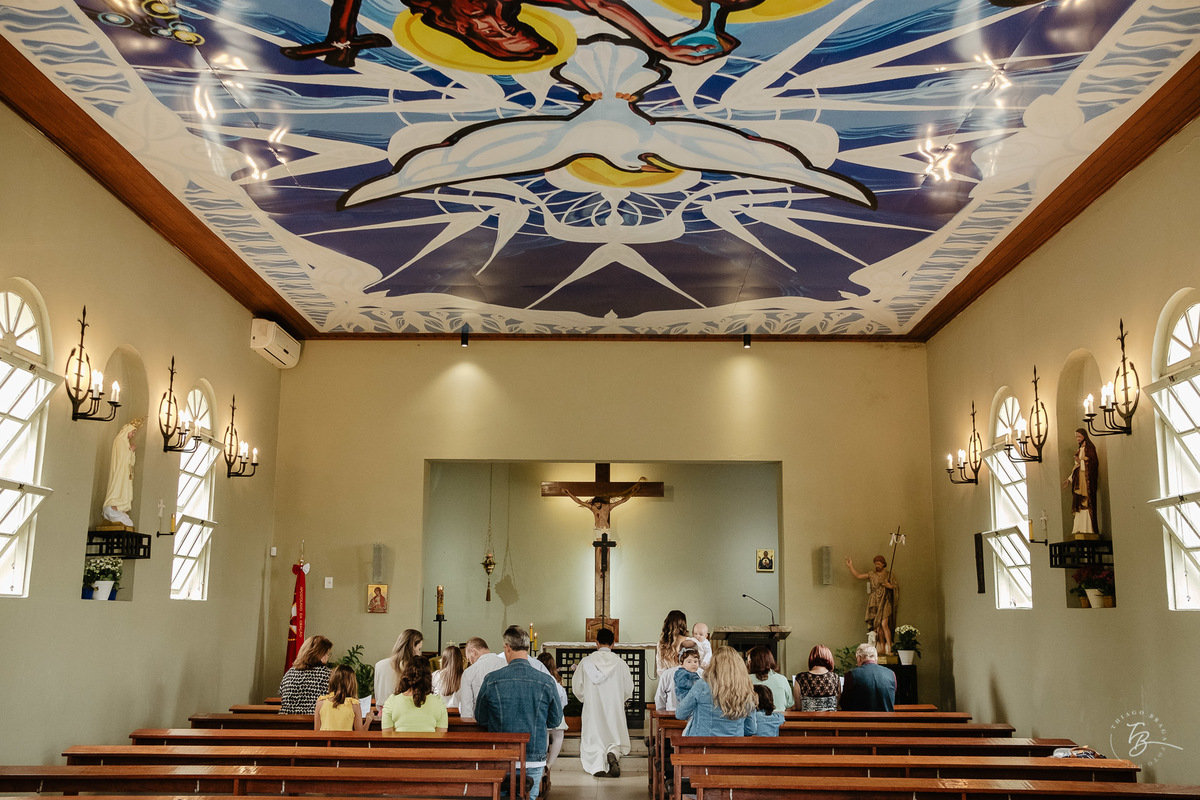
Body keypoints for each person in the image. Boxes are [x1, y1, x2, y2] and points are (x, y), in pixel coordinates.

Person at [473, 626, 563, 800]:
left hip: (501, 755)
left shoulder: (492, 679)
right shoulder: (546, 681)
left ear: (507, 647)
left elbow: (481, 718)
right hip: (534, 755)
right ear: (527, 647)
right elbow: (555, 720)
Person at [573, 627, 634, 778]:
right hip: (614, 708)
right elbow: (628, 689)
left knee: (594, 739)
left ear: (596, 643)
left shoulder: (586, 662)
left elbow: (577, 688)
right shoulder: (620, 664)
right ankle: (612, 753)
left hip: (593, 708)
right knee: (614, 737)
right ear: (613, 644)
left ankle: (597, 764)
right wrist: (618, 699)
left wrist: (587, 698)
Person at [459, 634, 554, 719]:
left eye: (468, 659)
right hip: (510, 722)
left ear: (473, 651)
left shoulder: (469, 672)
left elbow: (466, 712)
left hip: (480, 724)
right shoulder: (507, 664)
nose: (470, 662)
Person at [676, 646, 757, 736]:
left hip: (702, 742)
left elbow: (680, 714)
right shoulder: (746, 689)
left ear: (713, 665)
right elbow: (751, 729)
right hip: (734, 743)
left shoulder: (702, 685)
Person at [845, 555, 897, 653]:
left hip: (885, 601)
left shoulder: (888, 575)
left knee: (884, 624)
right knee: (878, 626)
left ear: (883, 564)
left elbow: (895, 587)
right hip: (875, 601)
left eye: (879, 564)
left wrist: (889, 586)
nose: (877, 566)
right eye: (875, 564)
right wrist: (850, 565)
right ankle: (882, 648)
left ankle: (890, 648)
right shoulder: (872, 574)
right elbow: (858, 576)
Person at [381, 657, 448, 732]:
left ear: (406, 675)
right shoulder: (438, 702)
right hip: (428, 740)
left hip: (400, 740)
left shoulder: (391, 701)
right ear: (429, 677)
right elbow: (441, 736)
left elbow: (386, 736)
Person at [537, 652, 569, 795]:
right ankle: (549, 764)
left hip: (542, 714)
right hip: (555, 714)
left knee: (543, 735)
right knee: (558, 737)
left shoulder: (538, 678)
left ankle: (543, 762)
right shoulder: (555, 680)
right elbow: (563, 699)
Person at [101, 418, 144, 527]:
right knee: (118, 485)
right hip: (120, 470)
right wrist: (130, 451)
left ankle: (120, 506)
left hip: (125, 471)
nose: (133, 435)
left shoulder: (125, 442)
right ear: (127, 431)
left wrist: (131, 452)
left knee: (124, 487)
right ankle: (114, 503)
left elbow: (130, 461)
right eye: (132, 432)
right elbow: (121, 457)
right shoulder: (120, 441)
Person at [279, 635, 333, 714]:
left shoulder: (289, 673)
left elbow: (282, 694)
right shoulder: (327, 675)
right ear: (321, 655)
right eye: (327, 653)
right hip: (314, 720)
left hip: (287, 719)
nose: (327, 657)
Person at [1063, 427, 1100, 535]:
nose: (1077, 439)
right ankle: (1079, 527)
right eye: (1076, 437)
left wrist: (1081, 461)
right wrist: (1069, 479)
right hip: (1078, 479)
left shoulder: (1090, 448)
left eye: (1079, 436)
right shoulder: (1079, 450)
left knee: (1086, 501)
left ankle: (1088, 528)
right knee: (1079, 502)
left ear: (1084, 436)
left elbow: (1094, 463)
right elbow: (1076, 467)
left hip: (1086, 479)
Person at [314, 664, 373, 731]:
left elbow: (316, 733)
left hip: (325, 738)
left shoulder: (320, 703)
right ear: (352, 684)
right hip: (345, 738)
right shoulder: (354, 705)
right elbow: (360, 734)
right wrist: (369, 719)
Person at [841, 643, 896, 712]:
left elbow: (845, 703)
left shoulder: (852, 674)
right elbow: (891, 698)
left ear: (859, 658)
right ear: (876, 658)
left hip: (859, 718)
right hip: (887, 717)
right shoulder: (891, 673)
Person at [374, 629, 422, 705]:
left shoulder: (379, 665)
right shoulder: (413, 668)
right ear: (412, 647)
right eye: (419, 649)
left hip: (383, 709)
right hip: (404, 709)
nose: (419, 654)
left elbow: (377, 694)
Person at [793, 644, 841, 712]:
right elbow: (837, 704)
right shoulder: (835, 677)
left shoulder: (800, 678)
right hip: (830, 718)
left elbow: (798, 706)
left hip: (807, 718)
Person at [747, 645, 794, 712]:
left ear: (752, 663)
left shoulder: (745, 680)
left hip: (754, 717)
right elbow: (790, 705)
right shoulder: (782, 679)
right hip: (779, 717)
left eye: (749, 662)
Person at [655, 610, 696, 677]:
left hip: (669, 680)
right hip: (688, 679)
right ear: (683, 625)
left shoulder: (661, 644)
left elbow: (661, 670)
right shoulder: (691, 642)